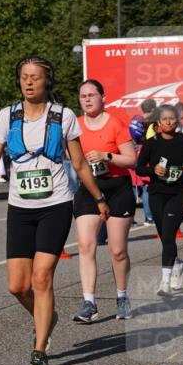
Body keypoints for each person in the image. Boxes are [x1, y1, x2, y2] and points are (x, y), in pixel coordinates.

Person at [0, 56, 109, 365]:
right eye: (24, 77)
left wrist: (98, 197)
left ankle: (39, 349)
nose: (29, 82)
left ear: (47, 81)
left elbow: (80, 163)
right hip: (20, 207)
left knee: (42, 277)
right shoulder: (7, 116)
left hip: (56, 206)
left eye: (35, 77)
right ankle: (48, 316)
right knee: (17, 286)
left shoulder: (64, 116)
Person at [72, 79, 137, 323]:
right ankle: (89, 302)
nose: (87, 99)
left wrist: (106, 156)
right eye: (83, 96)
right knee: (86, 246)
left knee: (117, 250)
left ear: (102, 98)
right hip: (89, 189)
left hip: (117, 188)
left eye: (91, 95)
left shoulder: (116, 125)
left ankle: (122, 296)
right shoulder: (75, 127)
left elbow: (132, 160)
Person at [135, 105, 183, 297]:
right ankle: (177, 263)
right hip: (157, 193)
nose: (169, 122)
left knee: (170, 235)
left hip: (179, 193)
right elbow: (139, 169)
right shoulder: (151, 144)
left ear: (177, 121)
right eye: (165, 119)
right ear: (159, 123)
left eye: (172, 118)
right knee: (164, 236)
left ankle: (165, 282)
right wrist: (153, 170)